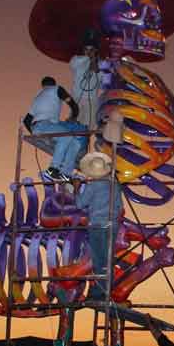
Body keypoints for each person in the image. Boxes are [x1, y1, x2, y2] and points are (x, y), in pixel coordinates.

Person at [73, 152, 122, 302]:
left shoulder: (93, 186)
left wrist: (76, 188)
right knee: (107, 259)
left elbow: (80, 204)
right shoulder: (115, 186)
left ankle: (99, 292)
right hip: (112, 225)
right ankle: (107, 289)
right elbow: (120, 207)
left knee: (98, 259)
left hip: (97, 225)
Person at [23, 76, 85, 183]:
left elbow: (26, 120)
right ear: (53, 84)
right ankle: (52, 169)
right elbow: (73, 105)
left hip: (39, 126)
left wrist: (34, 134)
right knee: (67, 137)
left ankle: (66, 173)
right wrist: (73, 117)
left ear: (43, 86)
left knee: (75, 143)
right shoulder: (57, 89)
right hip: (44, 125)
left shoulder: (38, 96)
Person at [69, 30, 104, 128]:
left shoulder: (101, 63)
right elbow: (73, 64)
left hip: (91, 100)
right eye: (86, 49)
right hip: (77, 98)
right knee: (74, 125)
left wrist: (95, 60)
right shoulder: (76, 59)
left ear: (96, 50)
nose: (88, 51)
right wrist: (89, 57)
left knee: (89, 127)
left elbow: (100, 76)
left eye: (92, 49)